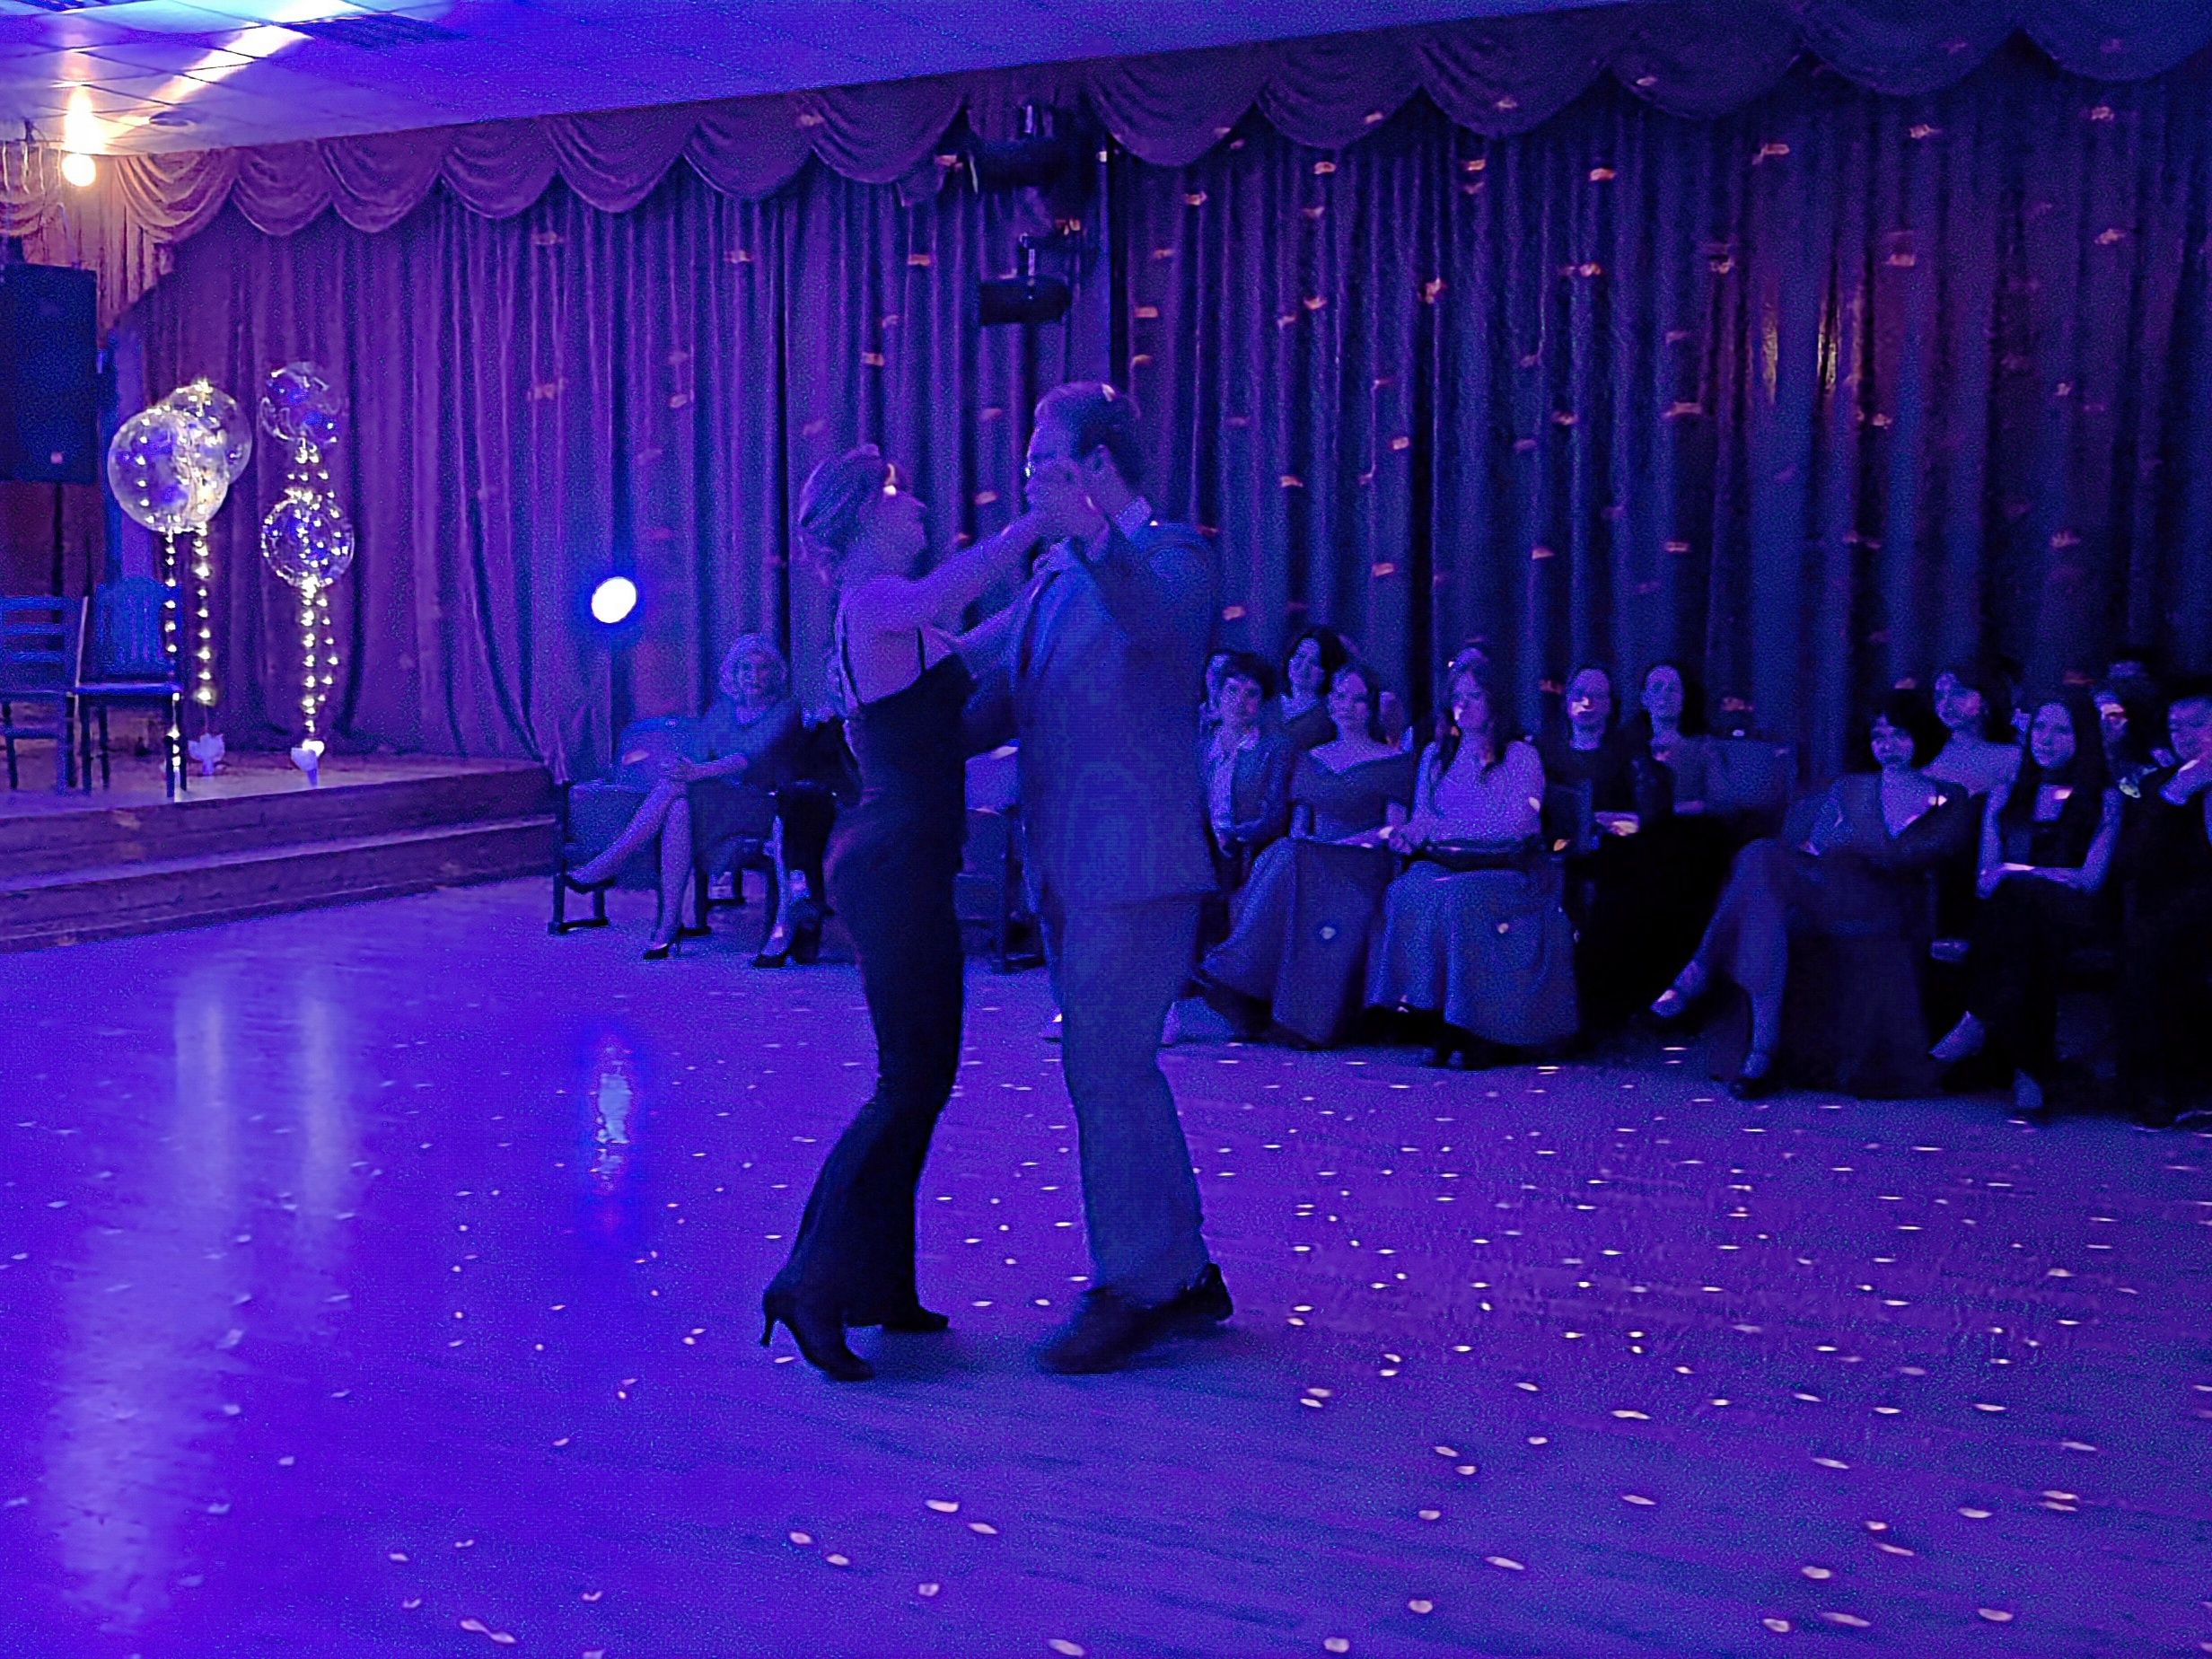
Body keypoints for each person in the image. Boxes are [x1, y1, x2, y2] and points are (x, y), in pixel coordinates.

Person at [761, 446, 1049, 1382]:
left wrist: (1047, 592)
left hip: (902, 858)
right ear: (860, 518)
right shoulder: (875, 603)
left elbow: (979, 645)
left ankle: (880, 1285)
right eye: (894, 492)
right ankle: (809, 1284)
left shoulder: (891, 618)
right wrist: (1037, 524)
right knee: (908, 1082)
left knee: (920, 1079)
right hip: (891, 863)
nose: (916, 501)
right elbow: (952, 598)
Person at [963, 381, 1231, 1374]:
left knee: (1104, 1070)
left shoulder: (1173, 556)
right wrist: (881, 695)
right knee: (1115, 1072)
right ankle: (1179, 1272)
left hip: (1138, 867)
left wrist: (1089, 533)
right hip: (1069, 868)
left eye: (1050, 463)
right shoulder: (1052, 578)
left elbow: (1157, 627)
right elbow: (988, 689)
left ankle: (1139, 1285)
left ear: (1101, 466)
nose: (1031, 480)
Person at [1653, 690, 1973, 1098]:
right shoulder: (1851, 787)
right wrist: (1840, 845)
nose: (1888, 745)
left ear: (1921, 734)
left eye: (1899, 735)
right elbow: (1818, 847)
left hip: (1887, 900)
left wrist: (1856, 843)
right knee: (1760, 859)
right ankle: (1762, 1044)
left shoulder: (1948, 795)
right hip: (1833, 887)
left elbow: (1921, 855)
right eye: (1879, 735)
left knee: (1762, 869)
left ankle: (1703, 977)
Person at [1366, 661, 1579, 1067]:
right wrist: (1410, 834)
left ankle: (1476, 1025)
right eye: (1457, 697)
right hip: (1447, 862)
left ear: (1494, 700)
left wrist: (1445, 829)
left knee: (1461, 898)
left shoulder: (1520, 756)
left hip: (1508, 868)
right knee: (1407, 891)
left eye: (1474, 696)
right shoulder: (1436, 756)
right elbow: (1424, 817)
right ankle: (1427, 1013)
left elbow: (1519, 825)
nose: (1463, 705)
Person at [1198, 659, 1417, 1046]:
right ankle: (1250, 990)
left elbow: (1393, 828)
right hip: (1311, 855)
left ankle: (1237, 977)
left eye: (1357, 699)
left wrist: (1340, 846)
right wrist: (1312, 847)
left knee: (1290, 857)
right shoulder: (1313, 758)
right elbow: (1301, 826)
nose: (1346, 706)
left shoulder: (1391, 760)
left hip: (1362, 862)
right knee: (1286, 852)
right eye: (1339, 696)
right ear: (1329, 702)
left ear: (1370, 707)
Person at [1928, 693, 2124, 1118]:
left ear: (2082, 736)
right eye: (2040, 728)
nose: (2046, 739)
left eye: (2061, 730)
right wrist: (2025, 875)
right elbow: (1985, 881)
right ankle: (2030, 1071)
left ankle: (1977, 1021)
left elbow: (2090, 879)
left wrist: (2019, 872)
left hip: (2076, 913)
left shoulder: (2104, 799)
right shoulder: (2005, 795)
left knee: (2021, 900)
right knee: (2024, 923)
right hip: (2018, 915)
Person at [568, 634, 801, 959]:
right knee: (678, 806)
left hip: (763, 804)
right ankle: (669, 922)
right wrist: (682, 767)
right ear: (733, 674)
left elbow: (749, 757)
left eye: (763, 669)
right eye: (745, 668)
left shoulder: (786, 710)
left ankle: (614, 860)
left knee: (678, 790)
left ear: (775, 673)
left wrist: (694, 773)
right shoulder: (721, 711)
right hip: (714, 800)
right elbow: (699, 754)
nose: (754, 676)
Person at [2116, 680, 2212, 1127]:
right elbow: (2135, 860)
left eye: (2197, 724)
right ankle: (2161, 1089)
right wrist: (2178, 794)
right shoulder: (2158, 786)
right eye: (2175, 726)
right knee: (2152, 939)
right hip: (2180, 907)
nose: (2183, 735)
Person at [1200, 651, 1293, 892]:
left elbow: (1274, 817)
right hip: (1196, 849)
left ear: (1263, 701)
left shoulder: (1275, 749)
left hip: (1246, 855)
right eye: (1232, 690)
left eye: (1251, 694)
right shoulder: (1200, 746)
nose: (1239, 701)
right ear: (1219, 694)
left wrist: (1230, 836)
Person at [1927, 664, 2022, 798]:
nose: (1946, 704)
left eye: (1959, 693)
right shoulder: (1928, 754)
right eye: (1939, 696)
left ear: (1986, 699)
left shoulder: (2011, 756)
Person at [1276, 627, 1349, 750]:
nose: (1304, 667)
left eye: (1314, 662)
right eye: (1300, 656)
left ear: (1327, 671)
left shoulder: (1330, 717)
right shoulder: (1267, 703)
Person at [2093, 680, 2165, 797]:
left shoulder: (2151, 755)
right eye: (2099, 714)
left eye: (2113, 714)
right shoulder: (2090, 755)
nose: (2106, 721)